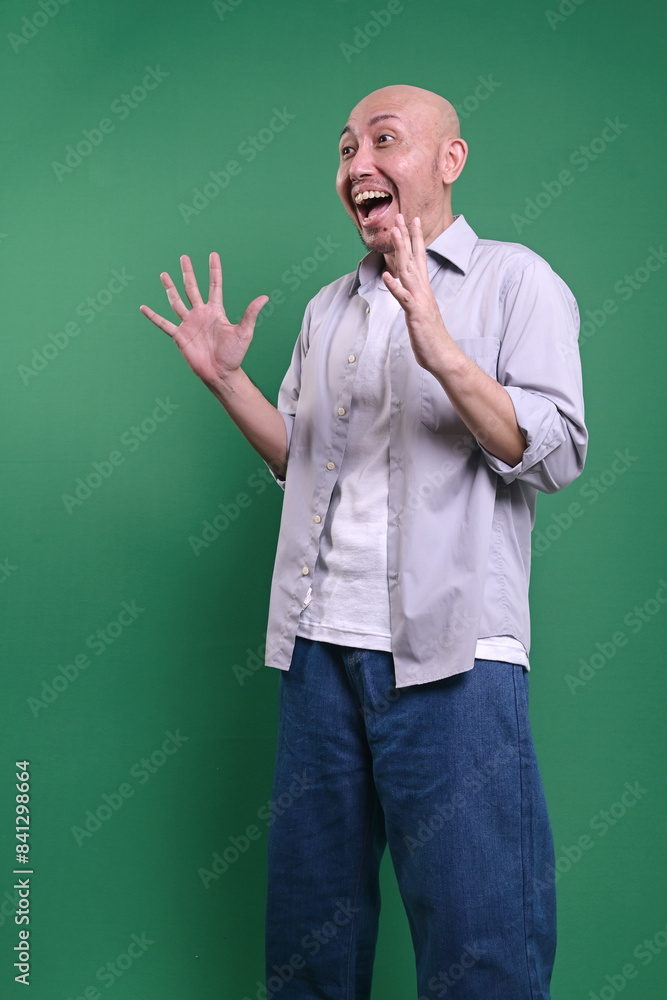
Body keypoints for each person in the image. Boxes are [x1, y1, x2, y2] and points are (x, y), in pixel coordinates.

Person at [141, 84, 587, 999]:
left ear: (450, 161)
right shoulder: (329, 308)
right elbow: (304, 462)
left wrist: (440, 347)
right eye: (346, 149)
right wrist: (228, 383)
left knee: (480, 946)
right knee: (309, 946)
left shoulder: (515, 281)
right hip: (318, 651)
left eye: (384, 141)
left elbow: (552, 450)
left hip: (452, 653)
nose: (358, 165)